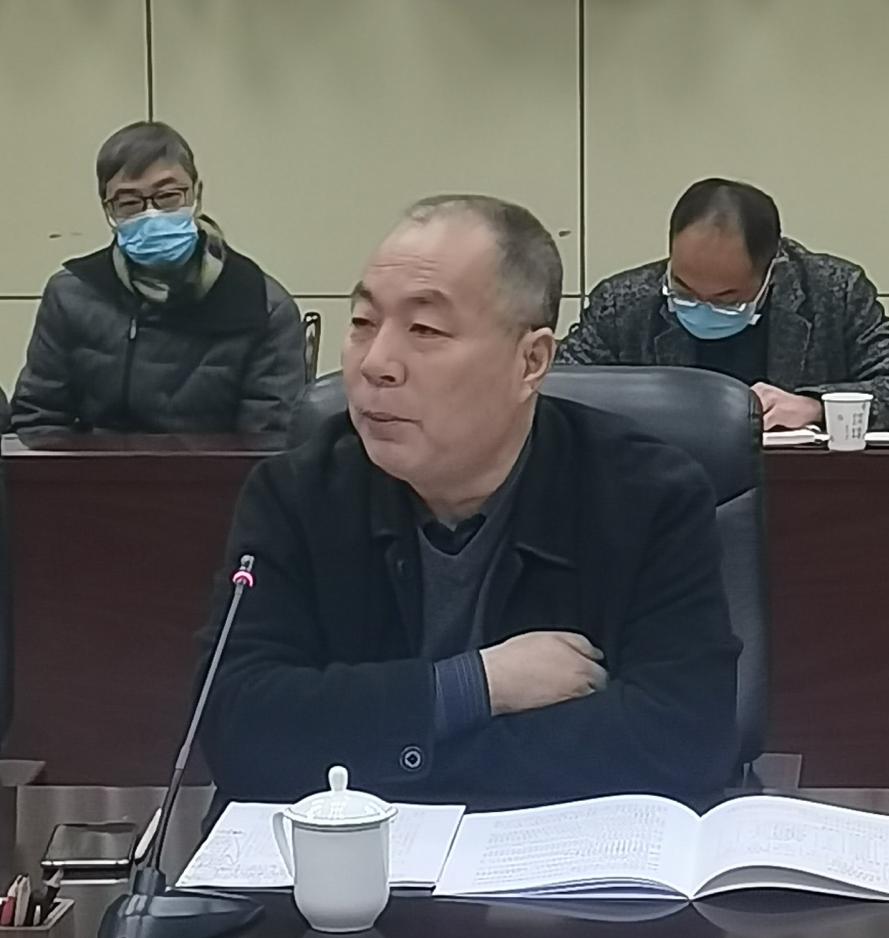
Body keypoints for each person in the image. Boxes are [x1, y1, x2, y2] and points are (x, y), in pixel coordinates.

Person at [199, 195, 740, 810]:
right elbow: (237, 728)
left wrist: (376, 743)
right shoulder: (296, 495)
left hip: (562, 864)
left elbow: (686, 738)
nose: (376, 364)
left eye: (425, 330)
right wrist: (474, 686)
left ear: (531, 361)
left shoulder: (646, 496)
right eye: (363, 323)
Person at [557, 178, 889, 433]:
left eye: (726, 297)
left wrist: (816, 407)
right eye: (684, 290)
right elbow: (556, 388)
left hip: (799, 499)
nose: (702, 305)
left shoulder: (834, 293)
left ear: (772, 268)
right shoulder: (624, 304)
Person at [11, 121, 305, 435]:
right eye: (129, 203)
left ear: (196, 194)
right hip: (95, 466)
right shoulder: (72, 294)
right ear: (109, 211)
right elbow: (37, 423)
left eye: (168, 196)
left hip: (216, 468)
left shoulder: (263, 305)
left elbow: (271, 442)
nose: (151, 213)